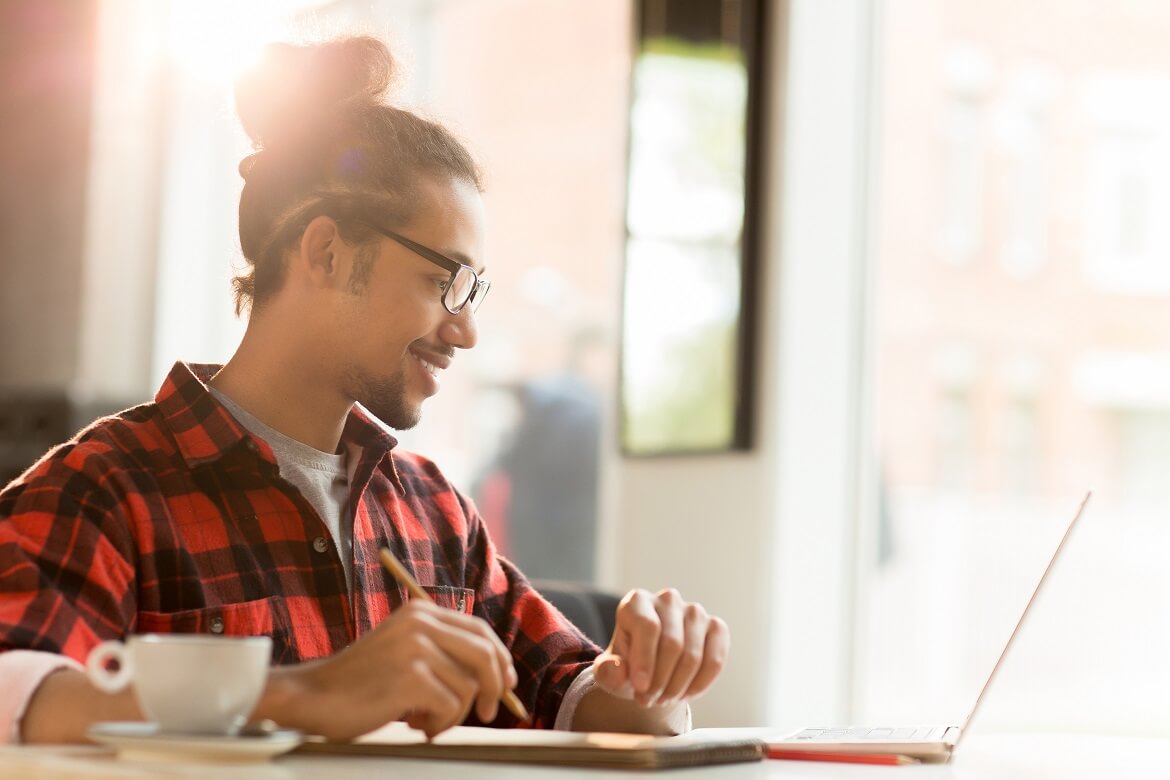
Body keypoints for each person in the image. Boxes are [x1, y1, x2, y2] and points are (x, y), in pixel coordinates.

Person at [0, 36, 728, 744]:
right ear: (325, 252)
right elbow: (16, 688)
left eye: (474, 291)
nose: (466, 331)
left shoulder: (434, 512)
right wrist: (309, 694)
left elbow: (578, 703)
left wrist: (649, 677)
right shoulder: (104, 488)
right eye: (448, 281)